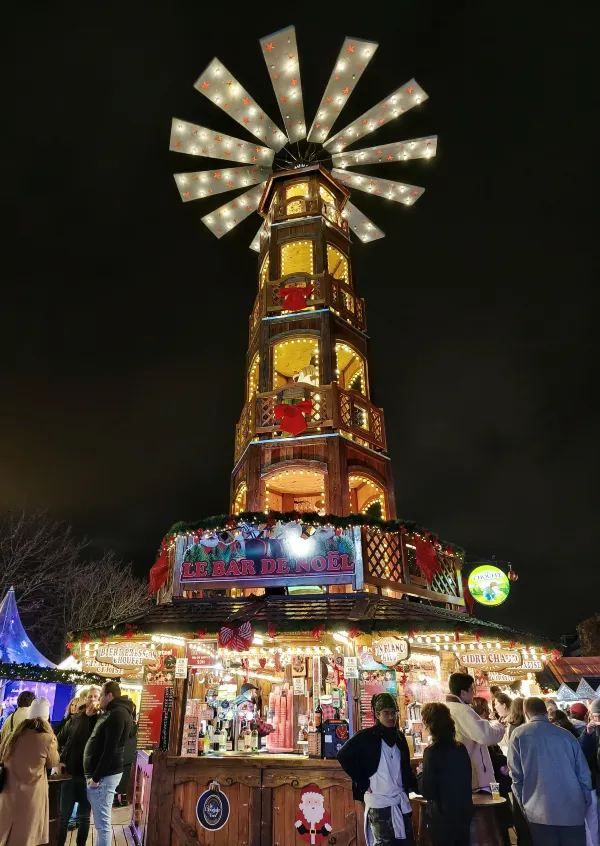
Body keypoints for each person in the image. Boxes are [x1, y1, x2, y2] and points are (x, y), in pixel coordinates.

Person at [508, 696, 592, 846]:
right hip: (572, 809)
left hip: (539, 811)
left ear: (526, 713)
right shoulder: (567, 735)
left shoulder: (519, 735)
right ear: (546, 712)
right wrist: (585, 802)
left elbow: (516, 777)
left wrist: (524, 805)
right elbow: (584, 774)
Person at [337, 692, 417, 845]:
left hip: (400, 803)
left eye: (393, 713)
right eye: (386, 713)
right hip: (380, 805)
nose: (391, 717)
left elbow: (405, 768)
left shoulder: (400, 738)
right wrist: (362, 781)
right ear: (377, 714)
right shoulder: (366, 737)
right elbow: (343, 755)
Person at [0, 697, 60, 846]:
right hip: (31, 796)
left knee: (6, 834)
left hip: (8, 792)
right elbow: (53, 761)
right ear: (46, 718)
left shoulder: (12, 735)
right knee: (25, 836)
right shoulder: (48, 738)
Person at [83, 681, 134, 846]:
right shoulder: (112, 712)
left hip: (105, 775)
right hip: (105, 773)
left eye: (102, 695)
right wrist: (91, 719)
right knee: (100, 822)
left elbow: (110, 749)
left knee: (103, 824)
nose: (100, 699)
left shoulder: (117, 714)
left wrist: (96, 778)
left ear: (109, 695)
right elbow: (98, 737)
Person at [419, 702, 472, 846]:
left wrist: (420, 775)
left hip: (442, 817)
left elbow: (428, 791)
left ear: (429, 724)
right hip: (463, 813)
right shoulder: (460, 748)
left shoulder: (431, 752)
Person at [56, 686, 101, 846]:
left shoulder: (103, 721)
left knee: (84, 817)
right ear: (85, 698)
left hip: (88, 777)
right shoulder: (75, 719)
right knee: (63, 816)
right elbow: (59, 740)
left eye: (96, 696)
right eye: (90, 696)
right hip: (70, 773)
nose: (93, 700)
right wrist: (60, 759)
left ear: (101, 699)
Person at [445, 673, 505, 792]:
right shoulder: (462, 711)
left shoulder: (450, 709)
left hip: (471, 775)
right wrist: (499, 725)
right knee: (488, 808)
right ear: (463, 692)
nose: (474, 693)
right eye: (472, 690)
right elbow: (486, 736)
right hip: (478, 779)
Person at [472, 697, 513, 846]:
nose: (490, 711)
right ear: (481, 712)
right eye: (487, 709)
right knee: (496, 812)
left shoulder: (485, 729)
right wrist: (502, 761)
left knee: (498, 811)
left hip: (493, 781)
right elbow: (490, 756)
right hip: (489, 782)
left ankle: (503, 837)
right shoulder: (481, 732)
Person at [580, 698, 600, 844]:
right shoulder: (590, 732)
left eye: (599, 716)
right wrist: (587, 733)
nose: (596, 719)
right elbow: (582, 755)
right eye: (594, 716)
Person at [114, 702, 138, 808]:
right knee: (124, 777)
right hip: (127, 753)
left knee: (119, 776)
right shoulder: (128, 720)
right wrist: (138, 724)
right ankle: (121, 798)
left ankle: (116, 798)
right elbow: (131, 732)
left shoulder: (119, 717)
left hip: (120, 753)